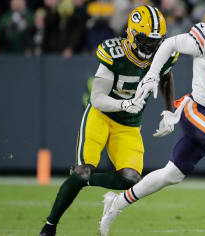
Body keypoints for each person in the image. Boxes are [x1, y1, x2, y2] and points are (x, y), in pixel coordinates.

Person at [99, 0, 205, 234]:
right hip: (196, 109)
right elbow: (170, 44)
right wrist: (152, 75)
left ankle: (116, 203)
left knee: (171, 174)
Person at [39, 5, 179, 236]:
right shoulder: (115, 52)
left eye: (156, 41)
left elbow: (166, 75)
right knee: (84, 169)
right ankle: (49, 226)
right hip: (101, 117)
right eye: (146, 40)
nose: (152, 47)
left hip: (129, 125)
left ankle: (85, 181)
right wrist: (124, 104)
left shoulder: (164, 54)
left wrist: (170, 110)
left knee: (130, 179)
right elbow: (97, 98)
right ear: (132, 35)